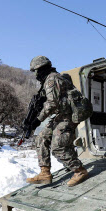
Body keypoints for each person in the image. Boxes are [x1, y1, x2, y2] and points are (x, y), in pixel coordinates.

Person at [25, 55, 89, 187]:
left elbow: (52, 103)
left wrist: (38, 120)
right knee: (41, 137)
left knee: (58, 146)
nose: (35, 74)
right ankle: (45, 173)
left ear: (40, 69)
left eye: (35, 71)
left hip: (68, 116)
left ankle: (79, 170)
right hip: (61, 115)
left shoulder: (52, 79)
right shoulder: (49, 80)